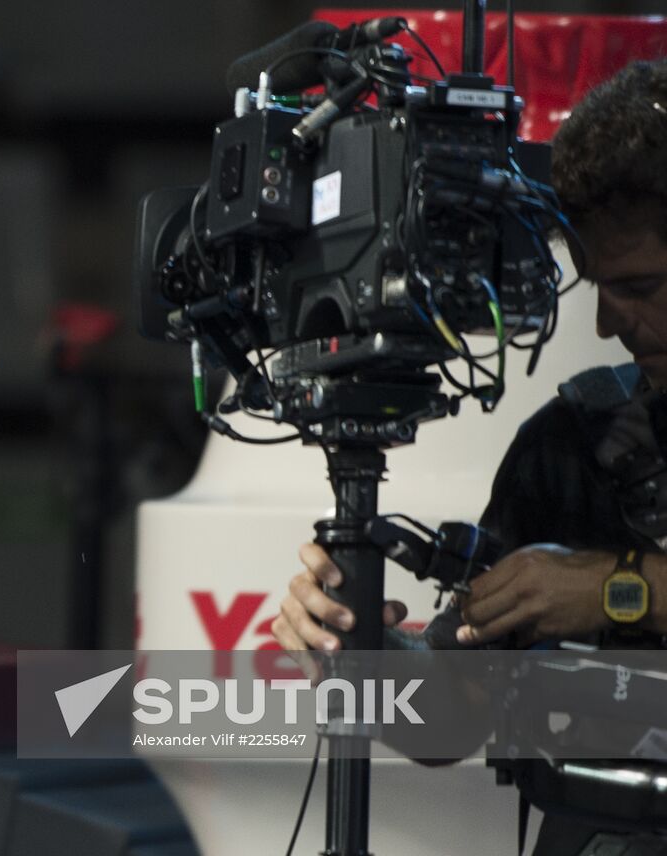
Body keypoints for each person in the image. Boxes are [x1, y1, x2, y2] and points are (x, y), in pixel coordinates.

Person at [272, 59, 667, 854]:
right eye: (596, 286)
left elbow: (610, 592)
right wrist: (362, 653)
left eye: (642, 286)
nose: (606, 325)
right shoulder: (576, 446)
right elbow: (454, 715)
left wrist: (619, 590)